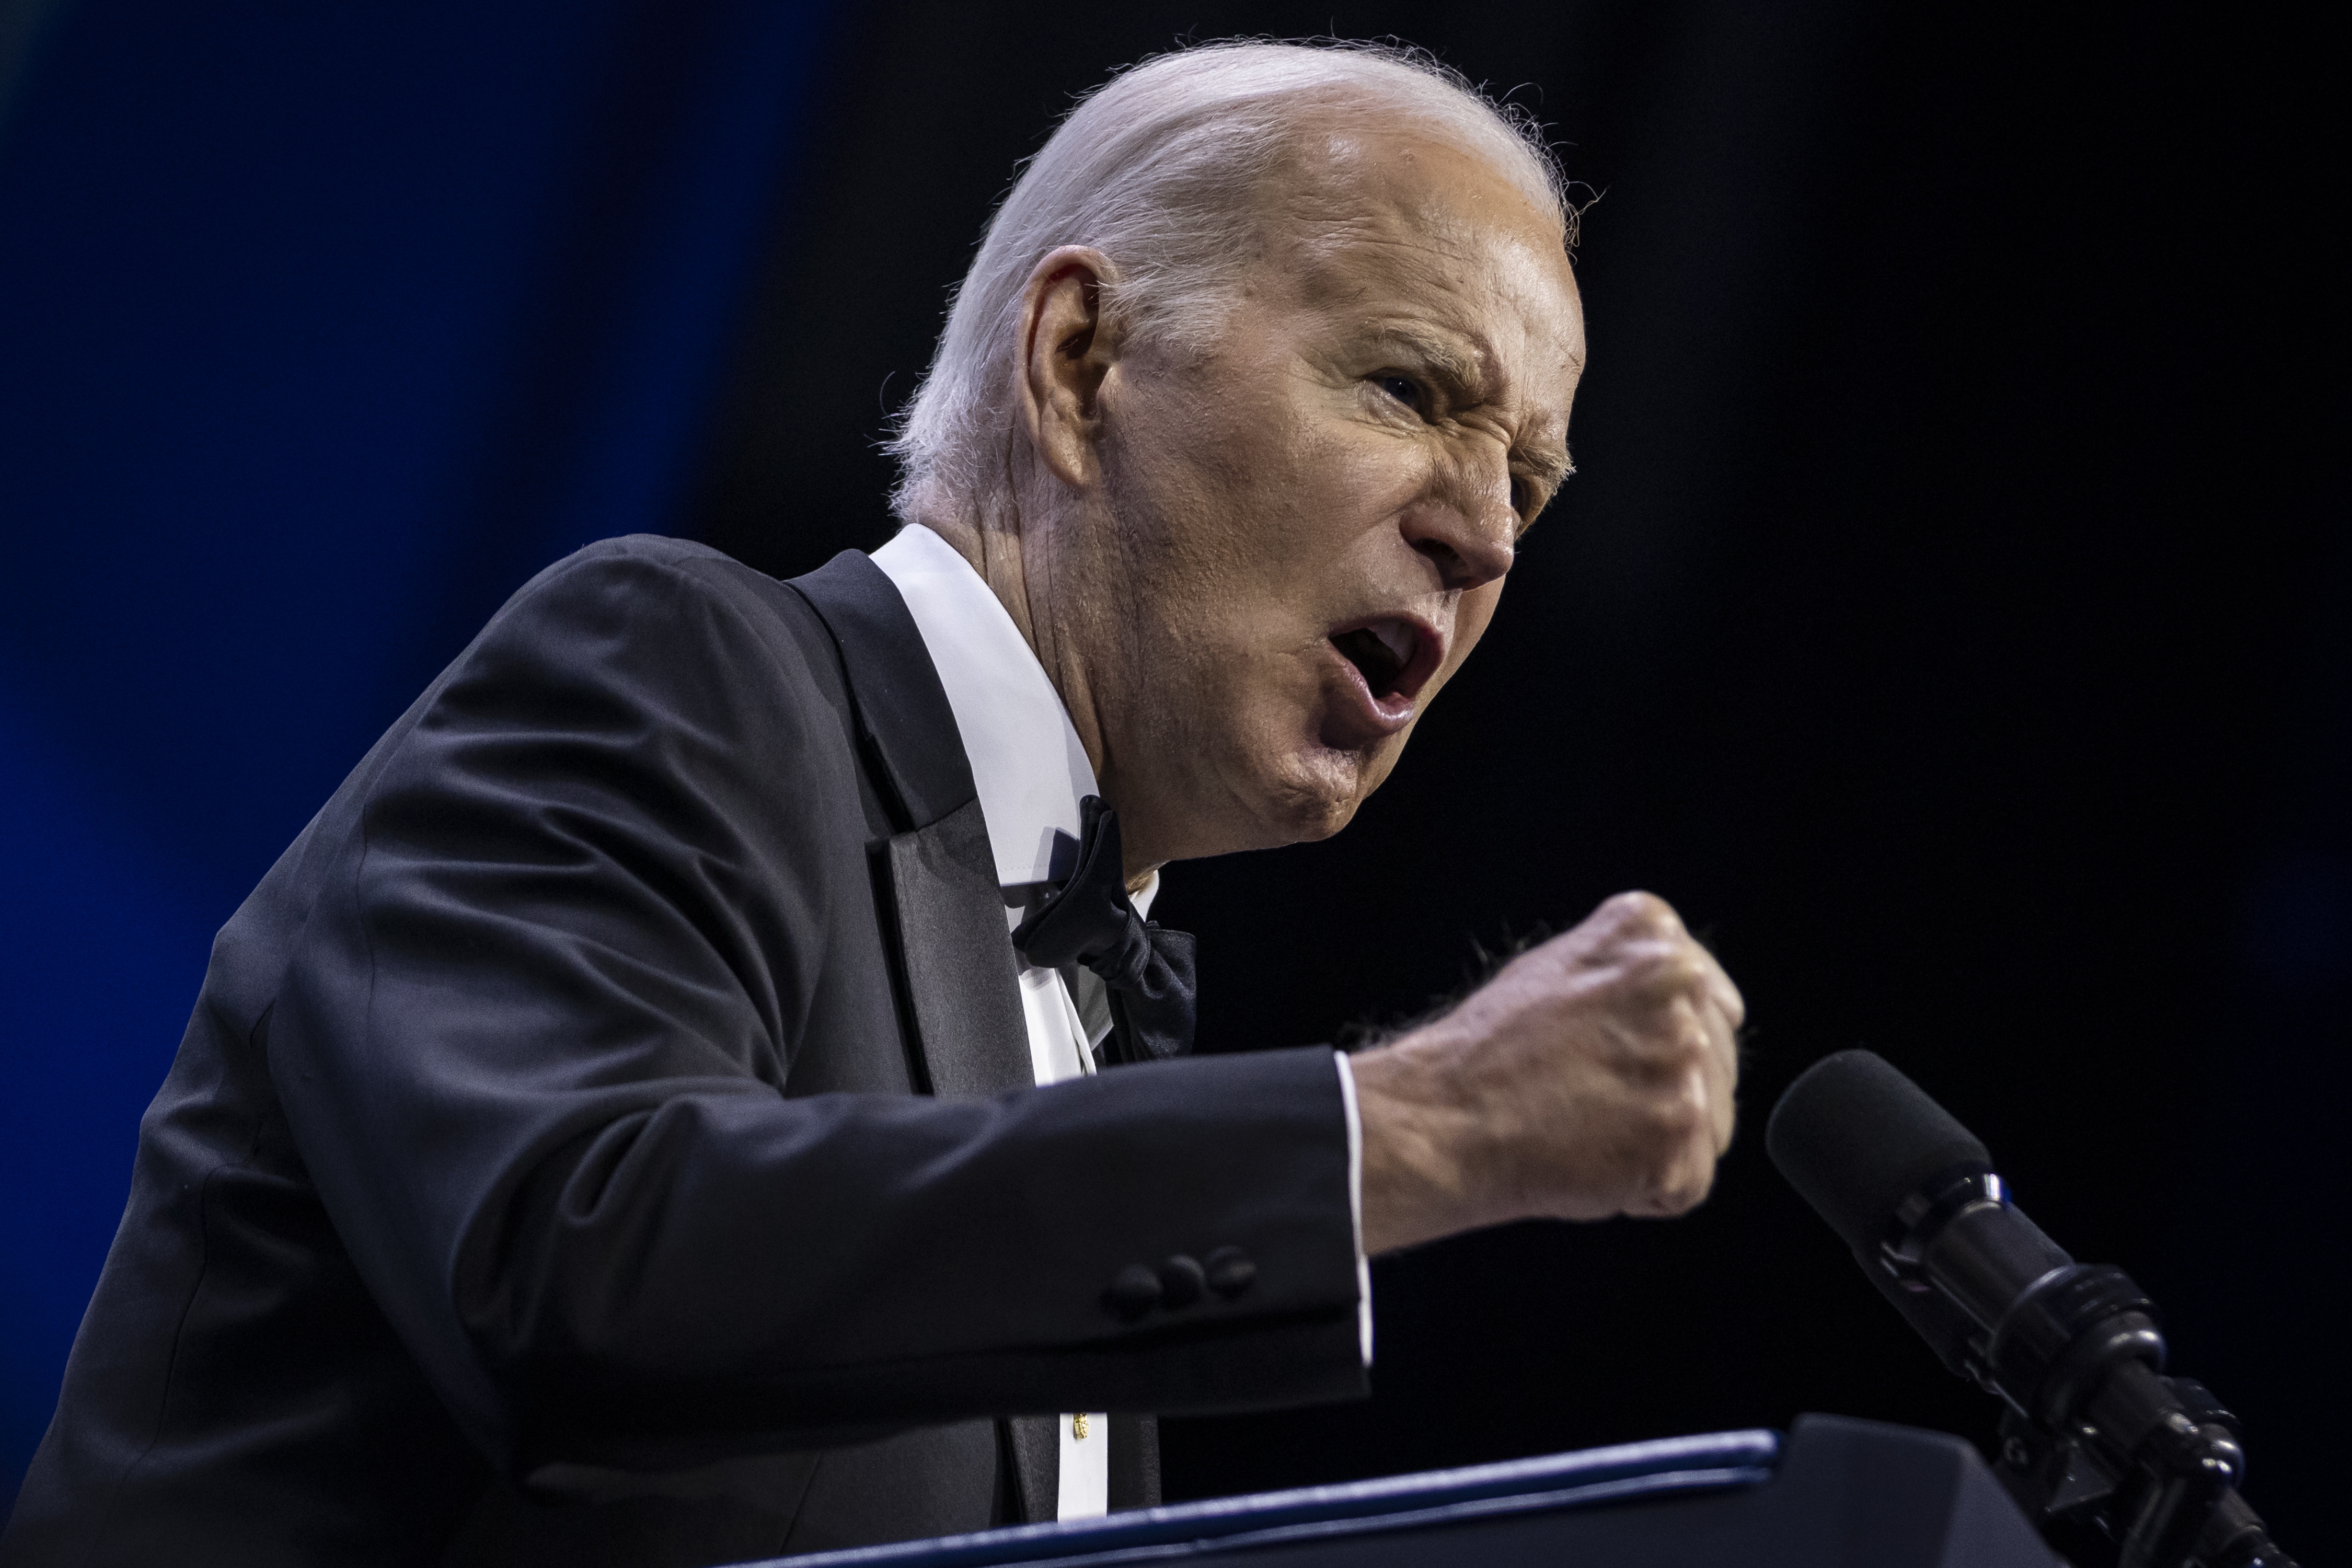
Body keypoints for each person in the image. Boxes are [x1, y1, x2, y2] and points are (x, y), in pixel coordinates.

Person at [1, 39, 1742, 1568]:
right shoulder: (674, 669)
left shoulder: (1084, 1025)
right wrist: (1409, 1135)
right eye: (1408, 390)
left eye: (1527, 476)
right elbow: (578, 1268)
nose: (1489, 533)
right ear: (1078, 360)